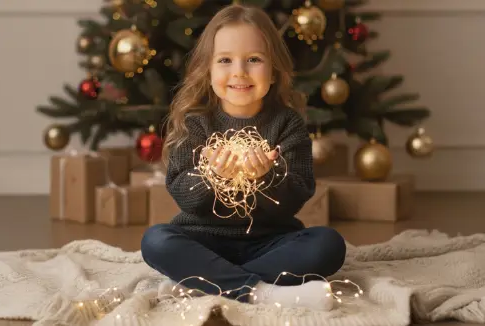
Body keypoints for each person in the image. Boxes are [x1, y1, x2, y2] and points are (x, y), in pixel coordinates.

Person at [140, 4, 346, 311]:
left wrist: (268, 177)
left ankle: (202, 284)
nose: (239, 71)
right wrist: (212, 176)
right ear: (207, 71)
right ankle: (262, 293)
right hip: (202, 240)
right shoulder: (195, 123)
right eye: (225, 60)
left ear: (274, 70)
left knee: (328, 244)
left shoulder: (288, 124)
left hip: (271, 243)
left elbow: (299, 193)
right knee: (156, 240)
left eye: (254, 60)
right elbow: (183, 195)